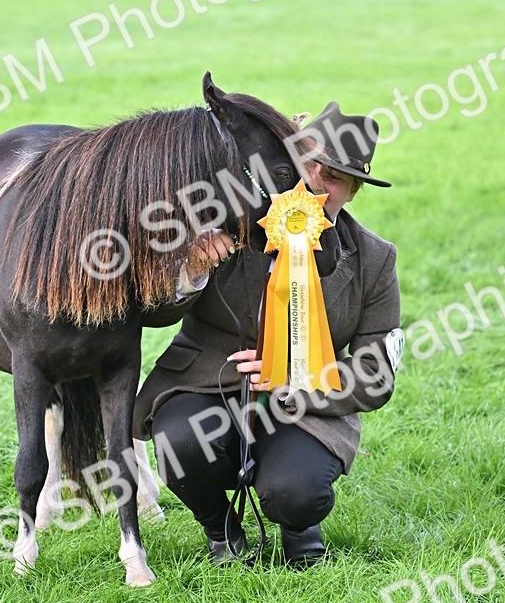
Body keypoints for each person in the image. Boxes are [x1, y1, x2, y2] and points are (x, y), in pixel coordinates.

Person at [133, 101, 403, 567]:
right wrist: (189, 270)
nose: (318, 179)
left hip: (304, 402)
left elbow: (377, 375)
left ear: (355, 190)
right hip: (206, 380)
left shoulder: (375, 260)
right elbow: (152, 313)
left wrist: (299, 373)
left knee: (294, 491)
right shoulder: (220, 221)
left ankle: (300, 528)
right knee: (179, 444)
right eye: (311, 162)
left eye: (336, 175)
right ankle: (221, 530)